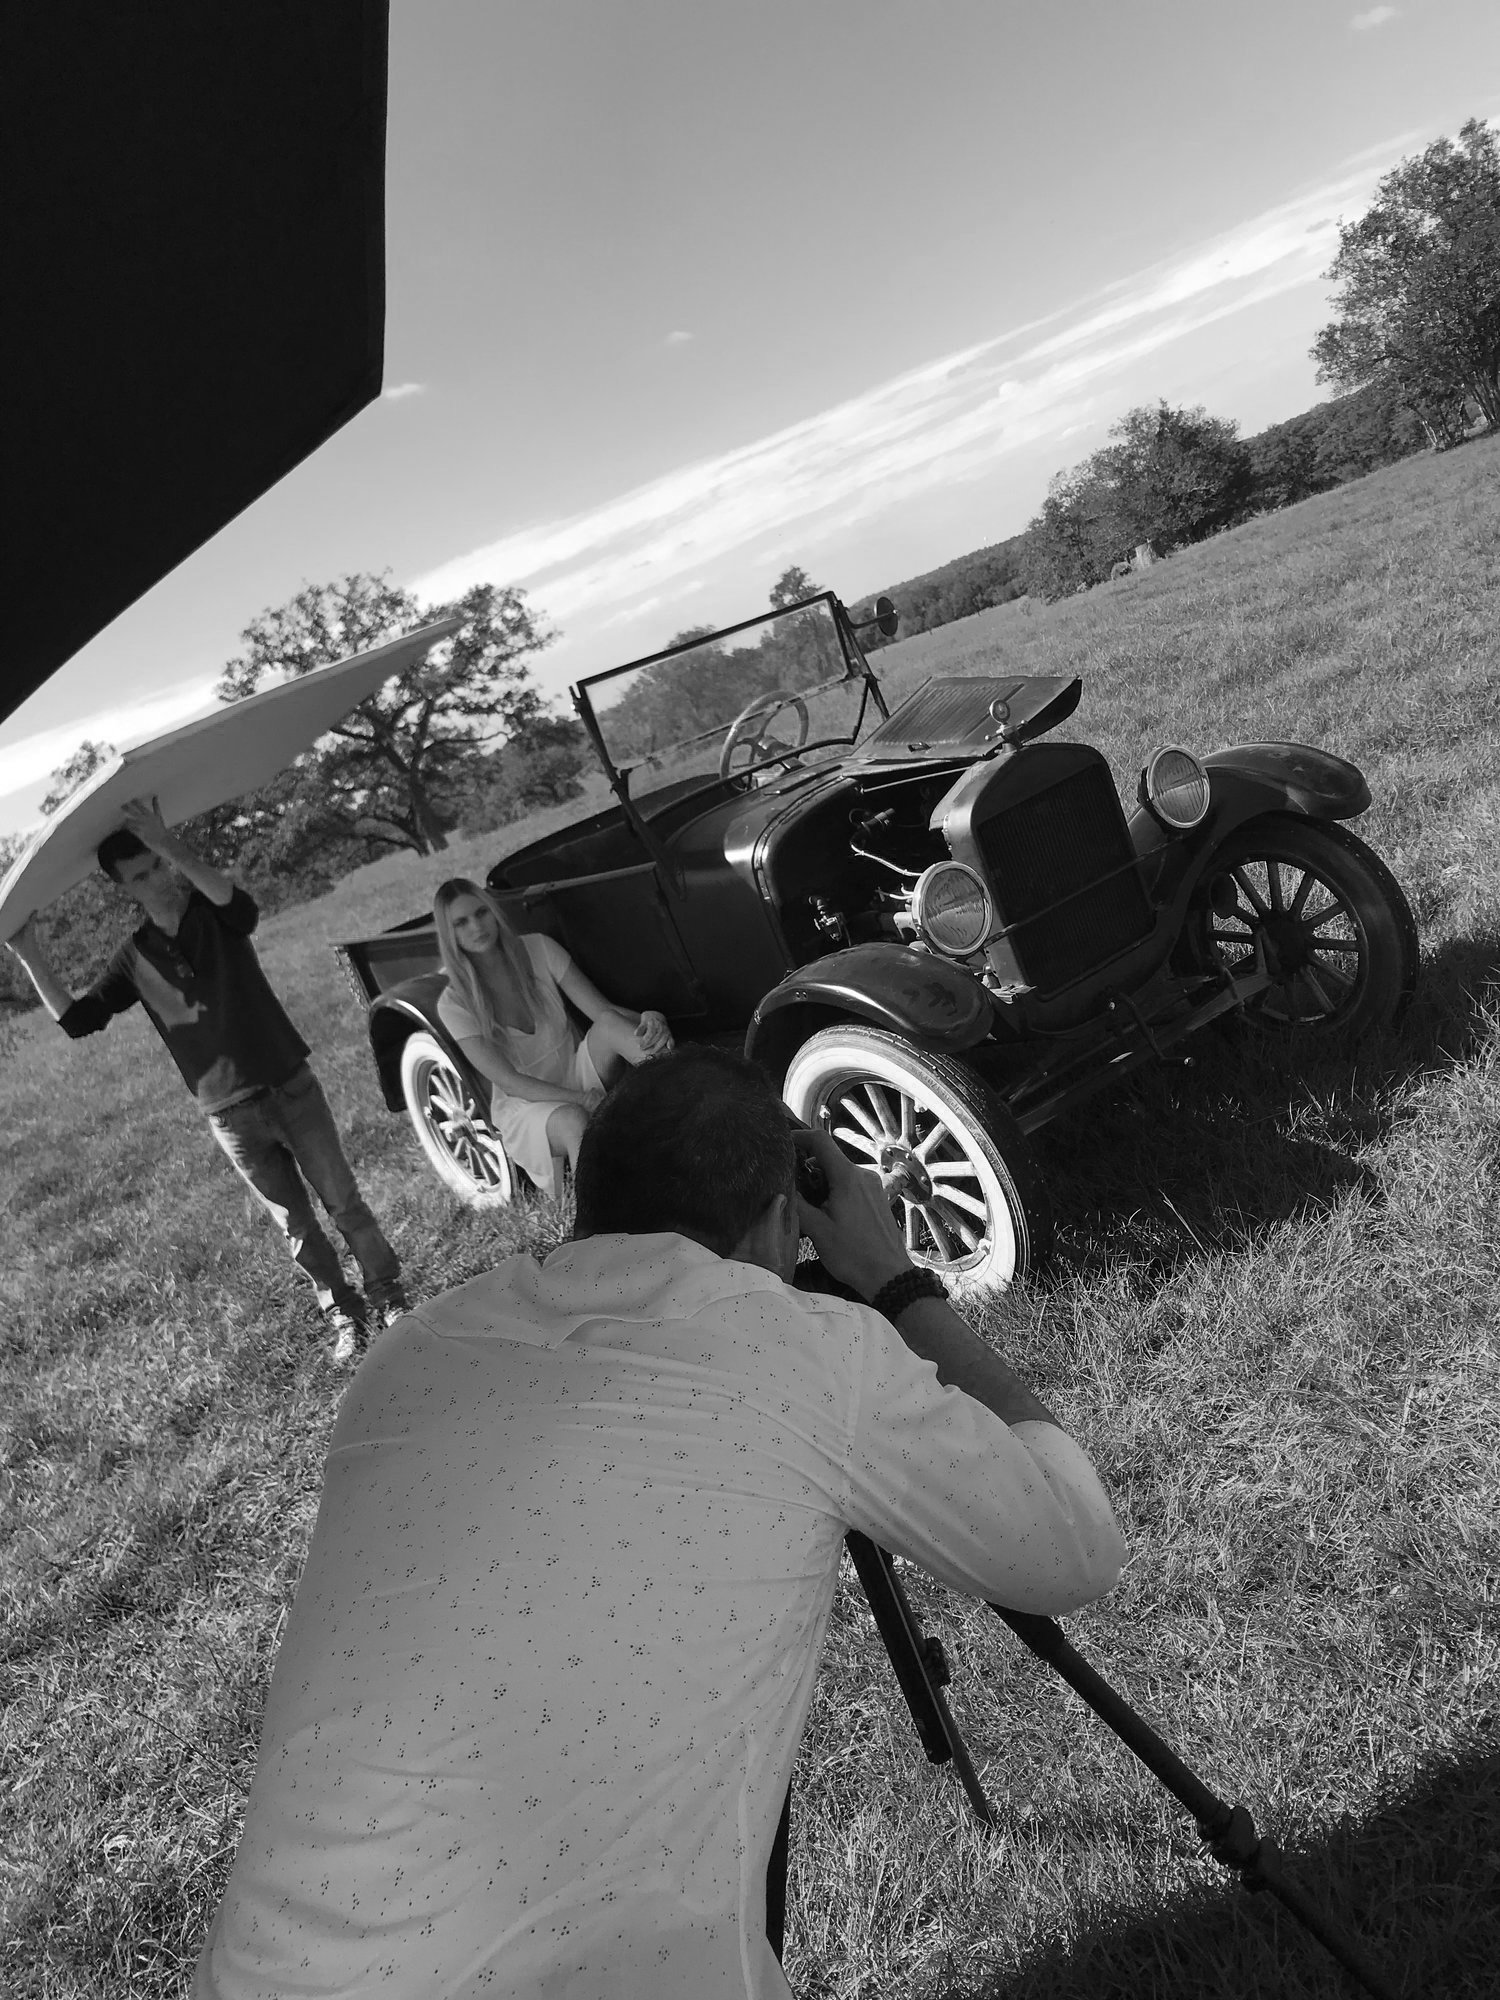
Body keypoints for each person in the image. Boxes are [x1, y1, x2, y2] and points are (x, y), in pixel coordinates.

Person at [193, 1045, 1126, 1999]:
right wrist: (892, 1280)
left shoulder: (405, 1355)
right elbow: (1075, 1546)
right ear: (779, 1218)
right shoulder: (802, 1350)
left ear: (587, 1198)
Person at [3, 799, 404, 1363]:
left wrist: (167, 841)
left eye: (158, 865)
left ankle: (390, 1296)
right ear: (124, 888)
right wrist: (28, 953)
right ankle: (344, 1312)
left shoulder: (214, 911)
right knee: (297, 1227)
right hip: (229, 1115)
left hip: (288, 1082)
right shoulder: (132, 959)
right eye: (140, 876)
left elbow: (243, 908)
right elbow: (78, 1022)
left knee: (345, 1203)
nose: (157, 879)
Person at [431, 875, 673, 1196]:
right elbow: (510, 1082)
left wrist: (648, 1017)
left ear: (493, 911)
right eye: (461, 923)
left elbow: (603, 1012)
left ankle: (690, 1120)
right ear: (449, 936)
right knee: (574, 1120)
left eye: (481, 913)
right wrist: (582, 1099)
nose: (476, 927)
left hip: (572, 1071)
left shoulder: (538, 948)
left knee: (612, 1026)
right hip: (527, 1106)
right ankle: (601, 1217)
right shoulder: (453, 1002)